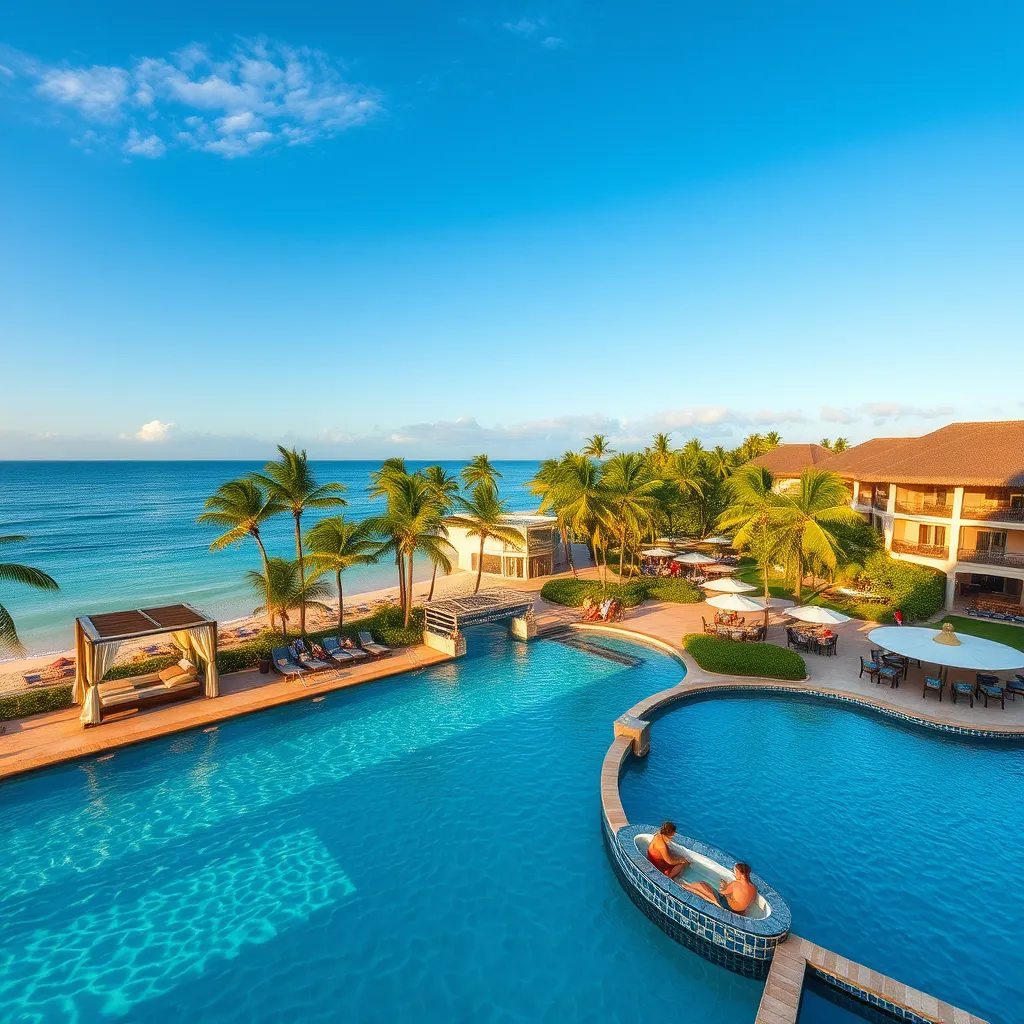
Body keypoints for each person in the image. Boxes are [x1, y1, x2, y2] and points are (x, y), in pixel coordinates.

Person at [679, 862, 758, 914]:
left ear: (740, 873)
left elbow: (722, 892)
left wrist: (724, 885)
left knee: (702, 885)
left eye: (735, 872)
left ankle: (685, 886)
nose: (734, 873)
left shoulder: (735, 884)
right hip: (740, 911)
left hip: (727, 907)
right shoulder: (754, 888)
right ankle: (688, 886)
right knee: (706, 886)